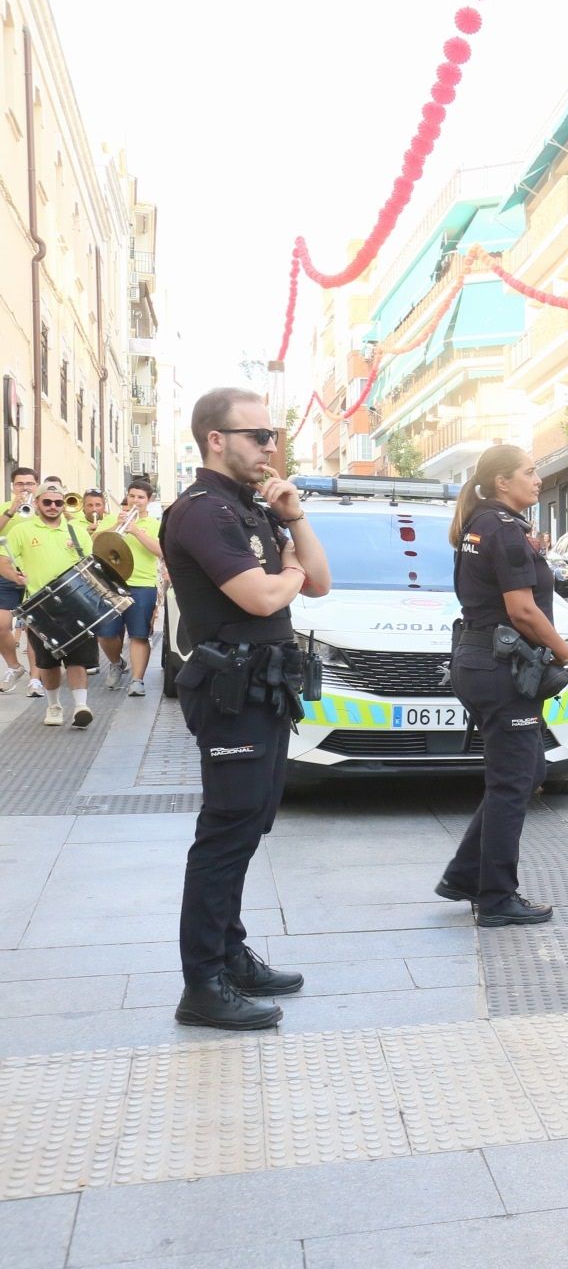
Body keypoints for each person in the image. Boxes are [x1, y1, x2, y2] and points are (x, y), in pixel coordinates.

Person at [164, 387, 331, 1029]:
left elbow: (319, 581)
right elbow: (263, 597)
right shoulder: (202, 512)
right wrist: (289, 575)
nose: (271, 447)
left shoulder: (251, 506)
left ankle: (230, 955)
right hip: (230, 691)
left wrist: (295, 519)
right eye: (259, 435)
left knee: (250, 822)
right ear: (216, 440)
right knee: (227, 828)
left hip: (265, 687)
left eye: (274, 435)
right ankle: (202, 983)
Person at [435, 444, 568, 927]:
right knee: (513, 781)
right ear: (502, 482)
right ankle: (495, 898)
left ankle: (464, 875)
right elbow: (522, 609)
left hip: (481, 659)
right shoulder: (504, 530)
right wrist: (564, 651)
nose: (538, 479)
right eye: (529, 472)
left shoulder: (481, 525)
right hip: (501, 666)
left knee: (527, 771)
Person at [6, 482, 102, 727]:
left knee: (77, 658)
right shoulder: (21, 531)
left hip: (75, 602)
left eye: (58, 502)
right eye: (47, 502)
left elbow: (89, 566)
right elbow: (3, 560)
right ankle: (54, 706)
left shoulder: (77, 531)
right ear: (37, 503)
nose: (53, 506)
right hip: (38, 603)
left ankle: (81, 706)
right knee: (48, 661)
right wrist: (13, 576)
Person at [93, 480, 165, 695]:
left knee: (139, 635)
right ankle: (116, 663)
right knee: (105, 633)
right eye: (132, 496)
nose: (135, 501)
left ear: (149, 500)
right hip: (111, 583)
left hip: (142, 584)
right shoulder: (112, 518)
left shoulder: (155, 524)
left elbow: (161, 551)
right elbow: (93, 542)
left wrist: (136, 531)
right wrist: (116, 526)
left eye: (140, 497)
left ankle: (137, 680)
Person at [0, 465, 36, 691]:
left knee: (34, 629)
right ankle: (14, 666)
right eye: (20, 484)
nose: (25, 488)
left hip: (36, 572)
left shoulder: (44, 506)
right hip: (6, 571)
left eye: (30, 483)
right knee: (1, 626)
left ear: (36, 485)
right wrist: (11, 511)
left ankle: (36, 677)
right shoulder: (4, 507)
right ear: (13, 486)